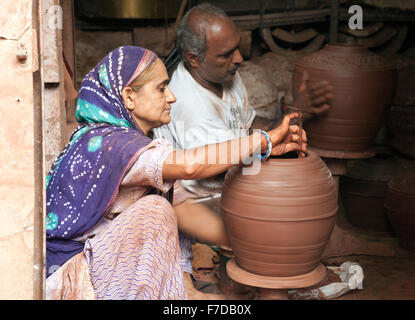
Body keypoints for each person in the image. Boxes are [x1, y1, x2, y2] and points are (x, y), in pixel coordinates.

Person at [45, 45, 307, 300]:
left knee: (167, 208)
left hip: (102, 272)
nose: (171, 96)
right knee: (155, 212)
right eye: (161, 88)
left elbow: (185, 212)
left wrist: (255, 245)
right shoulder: (110, 145)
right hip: (73, 280)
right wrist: (262, 142)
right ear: (129, 97)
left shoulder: (133, 145)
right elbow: (191, 165)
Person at [154, 3, 332, 199]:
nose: (238, 58)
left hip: (234, 183)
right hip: (201, 201)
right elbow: (231, 162)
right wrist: (290, 116)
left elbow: (248, 128)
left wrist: (288, 118)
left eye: (237, 47)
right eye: (226, 54)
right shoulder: (188, 103)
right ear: (194, 59)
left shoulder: (223, 74)